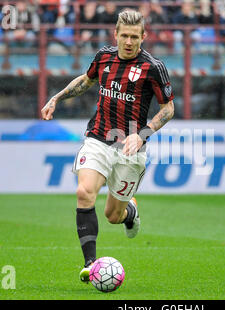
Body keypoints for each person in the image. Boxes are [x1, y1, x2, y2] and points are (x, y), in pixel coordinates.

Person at [41, 9, 175, 282]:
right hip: (98, 138)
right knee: (84, 192)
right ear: (115, 34)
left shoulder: (153, 67)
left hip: (130, 146)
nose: (128, 41)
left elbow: (169, 108)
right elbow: (86, 81)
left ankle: (130, 213)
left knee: (113, 215)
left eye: (134, 37)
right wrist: (56, 97)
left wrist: (143, 133)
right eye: (124, 35)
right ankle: (91, 265)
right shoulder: (103, 57)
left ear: (143, 37)